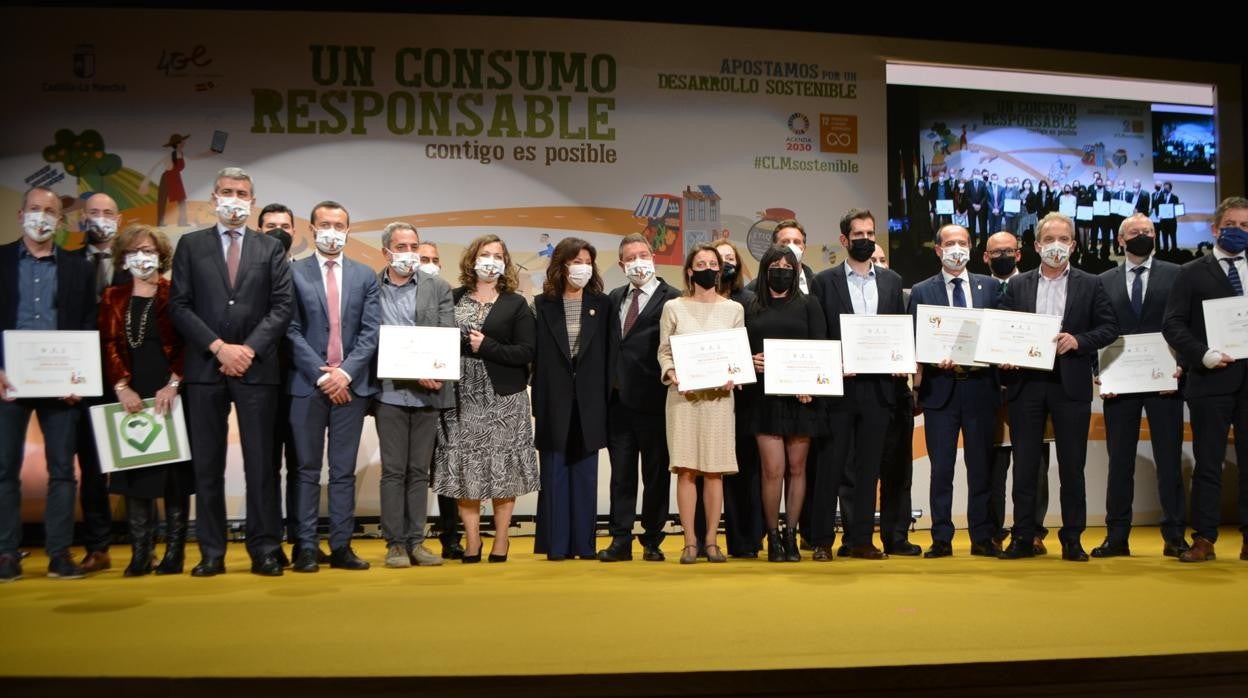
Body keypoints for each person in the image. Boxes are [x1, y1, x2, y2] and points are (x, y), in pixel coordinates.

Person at [169, 167, 293, 577]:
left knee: (261, 465)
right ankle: (211, 552)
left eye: (242, 193)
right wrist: (219, 348)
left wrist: (248, 349)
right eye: (227, 191)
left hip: (257, 369)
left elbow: (280, 308)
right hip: (206, 368)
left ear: (252, 202)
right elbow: (180, 306)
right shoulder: (190, 245)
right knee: (207, 464)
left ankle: (264, 549)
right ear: (214, 198)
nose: (234, 198)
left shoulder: (270, 248)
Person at [997, 213, 1119, 561]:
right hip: (1027, 384)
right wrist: (1005, 354)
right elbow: (1003, 329)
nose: (1056, 246)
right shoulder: (1017, 286)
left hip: (1070, 385)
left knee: (1071, 466)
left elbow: (1109, 327)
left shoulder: (1090, 283)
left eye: (1063, 239)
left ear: (1073, 245)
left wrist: (1078, 340)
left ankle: (1072, 539)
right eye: (1049, 239)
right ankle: (1022, 537)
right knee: (1025, 466)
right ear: (1036, 246)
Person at [0, 187, 97, 582]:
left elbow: (87, 323)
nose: (41, 217)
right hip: (8, 381)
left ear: (60, 221)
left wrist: (82, 376)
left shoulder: (78, 266)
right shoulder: (2, 260)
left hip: (62, 384)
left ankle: (60, 553)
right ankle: (6, 553)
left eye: (50, 212)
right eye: (35, 209)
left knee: (63, 471)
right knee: (4, 470)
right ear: (22, 213)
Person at [286, 201, 379, 573]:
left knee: (342, 472)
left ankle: (341, 545)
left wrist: (345, 373)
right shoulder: (293, 273)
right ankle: (306, 547)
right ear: (311, 229)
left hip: (351, 388)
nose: (332, 230)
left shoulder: (365, 275)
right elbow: (289, 329)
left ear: (348, 230)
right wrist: (323, 375)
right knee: (306, 470)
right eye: (325, 224)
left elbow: (371, 332)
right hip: (308, 386)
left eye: (339, 224)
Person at [809, 209, 908, 561]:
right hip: (838, 387)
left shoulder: (892, 281)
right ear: (844, 240)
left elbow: (899, 329)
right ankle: (821, 539)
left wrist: (901, 359)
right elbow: (818, 334)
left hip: (879, 388)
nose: (865, 239)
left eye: (870, 233)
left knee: (869, 468)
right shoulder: (824, 281)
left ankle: (861, 539)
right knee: (831, 466)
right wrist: (830, 365)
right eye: (858, 234)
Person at [433, 235, 538, 563]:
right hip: (461, 395)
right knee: (468, 468)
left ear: (505, 263)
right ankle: (473, 541)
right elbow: (437, 341)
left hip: (504, 398)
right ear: (472, 259)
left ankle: (502, 539)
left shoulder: (516, 303)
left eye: (497, 255)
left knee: (503, 468)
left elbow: (527, 351)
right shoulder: (452, 298)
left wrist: (487, 346)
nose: (491, 260)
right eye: (485, 254)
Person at [99, 224, 194, 576]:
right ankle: (141, 552)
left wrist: (173, 383)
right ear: (124, 258)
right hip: (130, 395)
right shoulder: (113, 296)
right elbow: (108, 344)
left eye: (149, 251)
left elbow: (189, 344)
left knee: (174, 477)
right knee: (135, 475)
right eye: (136, 251)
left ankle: (174, 553)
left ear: (161, 256)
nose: (143, 257)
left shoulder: (176, 293)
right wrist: (122, 386)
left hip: (170, 393)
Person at [1094, 213, 1187, 558]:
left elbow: (1186, 325)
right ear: (1121, 240)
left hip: (1165, 383)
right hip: (1119, 384)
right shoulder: (1102, 280)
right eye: (1135, 232)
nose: (1142, 236)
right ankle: (1117, 536)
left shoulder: (1177, 275)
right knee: (1119, 462)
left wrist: (1181, 365)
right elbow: (1099, 328)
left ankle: (1175, 536)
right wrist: (1099, 370)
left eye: (1148, 231)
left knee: (1169, 460)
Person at [1161, 196, 1248, 562]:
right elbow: (1173, 325)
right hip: (1209, 381)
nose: (1238, 231)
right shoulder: (1191, 272)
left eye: (1245, 226)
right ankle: (1205, 538)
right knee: (1208, 463)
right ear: (1215, 228)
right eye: (1232, 224)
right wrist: (1204, 354)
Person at [908, 225, 1001, 557]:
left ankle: (981, 537)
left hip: (980, 390)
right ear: (938, 250)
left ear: (972, 248)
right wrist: (929, 362)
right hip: (939, 391)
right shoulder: (921, 291)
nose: (957, 249)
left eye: (962, 243)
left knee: (981, 468)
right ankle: (942, 538)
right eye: (950, 244)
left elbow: (1000, 335)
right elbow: (914, 340)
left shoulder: (990, 287)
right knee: (941, 469)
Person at [371, 222, 453, 568]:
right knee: (393, 470)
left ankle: (416, 541)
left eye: (414, 246)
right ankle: (395, 544)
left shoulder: (438, 287)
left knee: (419, 470)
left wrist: (435, 369)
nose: (409, 253)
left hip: (427, 392)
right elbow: (367, 336)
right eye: (402, 246)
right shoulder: (370, 287)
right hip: (389, 392)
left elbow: (447, 333)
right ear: (387, 251)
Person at [657, 243, 743, 564]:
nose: (707, 267)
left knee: (714, 471)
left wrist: (733, 374)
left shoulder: (734, 309)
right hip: (684, 398)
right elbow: (664, 351)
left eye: (712, 263)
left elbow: (736, 354)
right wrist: (673, 372)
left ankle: (711, 541)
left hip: (719, 399)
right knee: (687, 469)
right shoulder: (674, 307)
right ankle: (689, 541)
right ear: (690, 271)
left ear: (719, 271)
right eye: (701, 263)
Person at [597, 234, 679, 562]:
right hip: (617, 403)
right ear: (621, 265)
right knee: (622, 476)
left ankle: (653, 539)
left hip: (656, 401)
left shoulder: (673, 298)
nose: (637, 262)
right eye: (630, 258)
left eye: (642, 254)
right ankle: (620, 539)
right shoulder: (613, 297)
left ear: (653, 257)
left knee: (656, 475)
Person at [744, 244, 826, 561]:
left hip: (802, 398)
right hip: (763, 399)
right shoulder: (750, 306)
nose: (782, 270)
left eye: (788, 266)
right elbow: (740, 352)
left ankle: (792, 534)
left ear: (796, 271)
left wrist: (810, 386)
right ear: (765, 269)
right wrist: (750, 361)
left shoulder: (810, 305)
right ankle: (773, 536)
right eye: (776, 265)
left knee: (797, 468)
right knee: (772, 469)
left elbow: (820, 348)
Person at [533, 238, 611, 561]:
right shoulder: (542, 304)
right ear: (561, 265)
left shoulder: (602, 304)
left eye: (587, 261)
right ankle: (558, 545)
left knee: (585, 473)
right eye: (575, 260)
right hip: (554, 399)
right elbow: (536, 358)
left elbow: (609, 356)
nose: (582, 267)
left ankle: (584, 544)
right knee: (554, 473)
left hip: (590, 401)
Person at [983, 231, 1052, 551]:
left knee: (1035, 466)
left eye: (1008, 251)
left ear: (1020, 254)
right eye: (995, 252)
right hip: (991, 389)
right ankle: (994, 532)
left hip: (1032, 387)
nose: (1002, 257)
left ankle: (1034, 531)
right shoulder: (979, 291)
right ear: (985, 257)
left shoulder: (1035, 286)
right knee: (993, 469)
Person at [75, 192, 128, 574]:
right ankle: (97, 546)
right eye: (94, 213)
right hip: (80, 379)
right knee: (91, 465)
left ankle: (145, 545)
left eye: (108, 213)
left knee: (139, 462)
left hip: (128, 378)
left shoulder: (135, 265)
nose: (102, 219)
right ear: (82, 219)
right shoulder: (66, 264)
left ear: (120, 220)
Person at [257, 203, 305, 566]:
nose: (279, 232)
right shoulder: (249, 275)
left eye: (285, 226)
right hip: (261, 384)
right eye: (271, 225)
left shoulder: (304, 274)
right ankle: (269, 543)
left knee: (302, 466)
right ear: (259, 231)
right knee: (267, 467)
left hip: (302, 383)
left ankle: (302, 540)